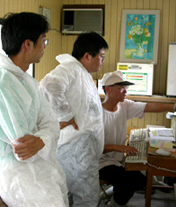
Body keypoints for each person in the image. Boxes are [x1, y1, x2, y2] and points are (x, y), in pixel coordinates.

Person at [0, 12, 68, 207]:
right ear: (28, 44)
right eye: (43, 40)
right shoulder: (1, 85)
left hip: (38, 170)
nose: (44, 46)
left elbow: (50, 122)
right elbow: (23, 146)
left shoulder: (27, 82)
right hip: (18, 176)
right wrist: (42, 138)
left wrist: (41, 139)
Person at [99, 71, 176, 207]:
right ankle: (113, 204)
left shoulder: (124, 105)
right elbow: (92, 148)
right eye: (121, 88)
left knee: (141, 180)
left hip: (118, 160)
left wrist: (174, 107)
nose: (125, 91)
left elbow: (149, 107)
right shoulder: (97, 114)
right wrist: (118, 147)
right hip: (100, 163)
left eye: (126, 88)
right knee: (130, 181)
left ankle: (113, 192)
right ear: (108, 89)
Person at [39, 31, 108, 207]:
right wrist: (66, 116)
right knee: (86, 198)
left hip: (81, 148)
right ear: (87, 56)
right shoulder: (70, 68)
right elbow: (49, 86)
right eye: (101, 56)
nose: (103, 61)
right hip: (77, 148)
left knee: (78, 197)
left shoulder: (80, 72)